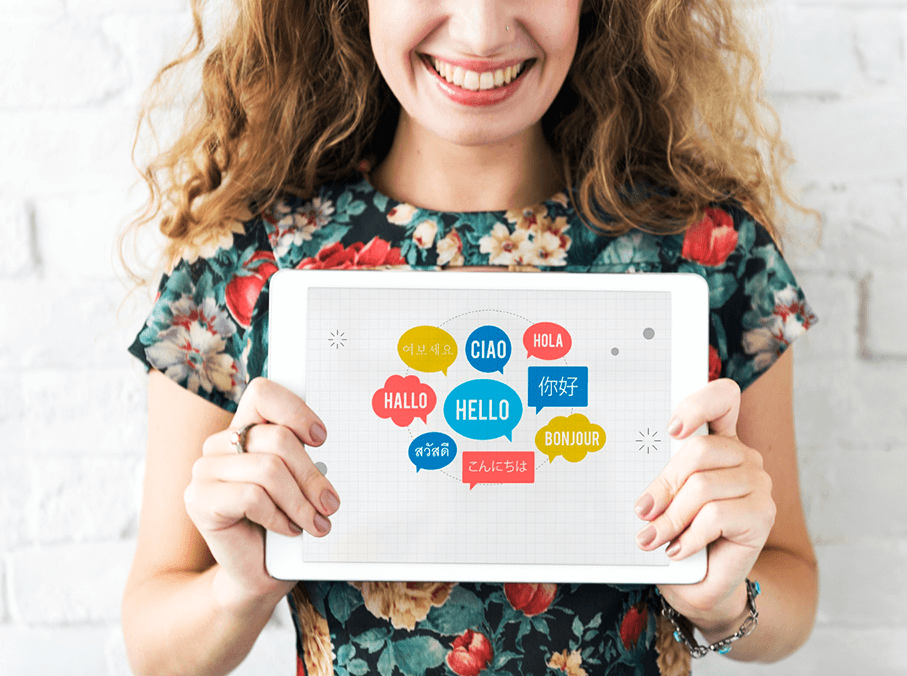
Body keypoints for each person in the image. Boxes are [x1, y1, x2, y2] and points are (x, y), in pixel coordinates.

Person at [118, 0, 820, 674]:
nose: (482, 32)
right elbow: (154, 650)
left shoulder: (714, 250)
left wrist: (724, 599)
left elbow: (793, 592)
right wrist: (239, 587)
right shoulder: (244, 262)